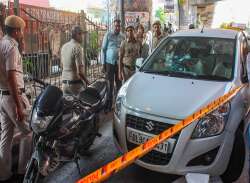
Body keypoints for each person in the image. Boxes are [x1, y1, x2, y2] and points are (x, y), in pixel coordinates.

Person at [0, 15, 31, 182]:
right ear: (16, 31)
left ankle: (4, 174)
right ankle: (23, 169)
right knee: (29, 132)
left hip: (3, 96)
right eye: (22, 31)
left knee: (6, 136)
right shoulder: (11, 47)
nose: (22, 34)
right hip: (14, 97)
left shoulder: (2, 43)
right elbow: (12, 76)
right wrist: (19, 106)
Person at [102, 19, 124, 112]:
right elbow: (103, 49)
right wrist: (103, 64)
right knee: (109, 85)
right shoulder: (108, 34)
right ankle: (108, 104)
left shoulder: (122, 36)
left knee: (119, 84)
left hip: (119, 64)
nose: (117, 28)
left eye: (119, 26)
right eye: (116, 26)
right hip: (109, 63)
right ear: (113, 26)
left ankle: (117, 105)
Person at [61, 25, 89, 95]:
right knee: (85, 103)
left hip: (64, 84)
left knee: (68, 105)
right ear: (77, 35)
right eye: (81, 34)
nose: (82, 37)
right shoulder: (78, 47)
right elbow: (80, 72)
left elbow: (61, 65)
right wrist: (87, 81)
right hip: (74, 85)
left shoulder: (64, 46)